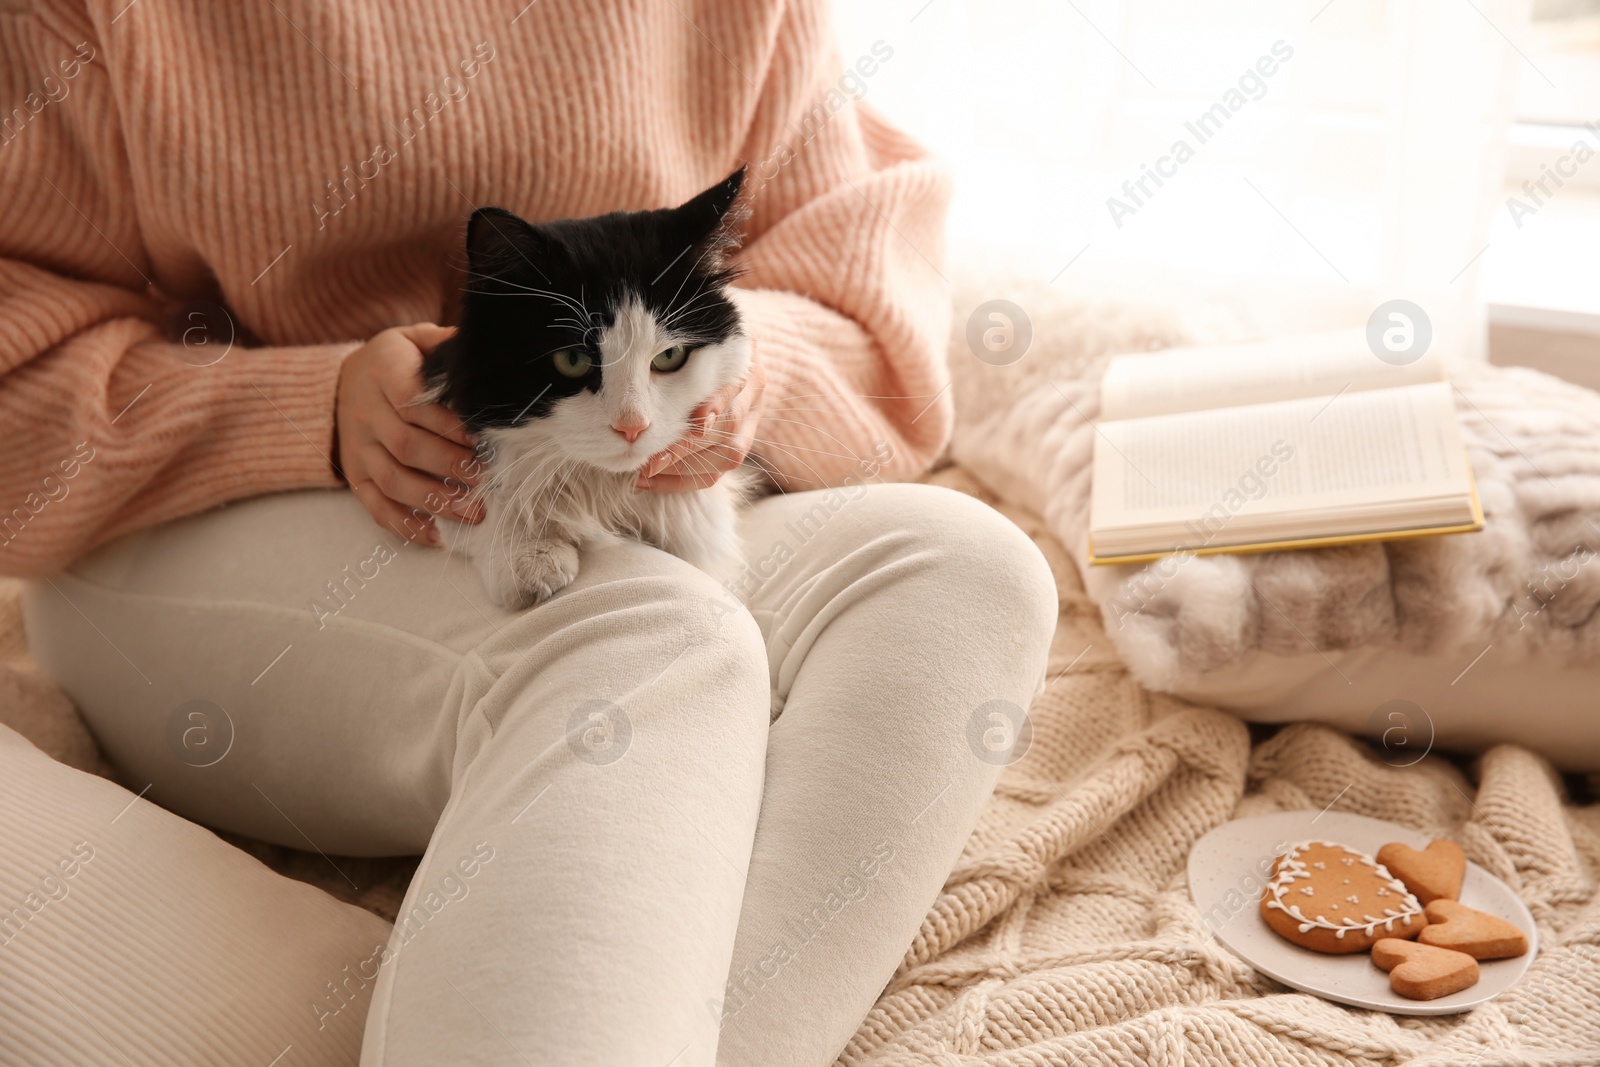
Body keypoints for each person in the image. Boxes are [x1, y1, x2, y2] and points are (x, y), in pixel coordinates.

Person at [0, 2, 1056, 1064]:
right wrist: (307, 407)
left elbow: (875, 312)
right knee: (637, 633)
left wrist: (729, 381)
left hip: (596, 470)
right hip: (193, 512)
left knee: (966, 572)